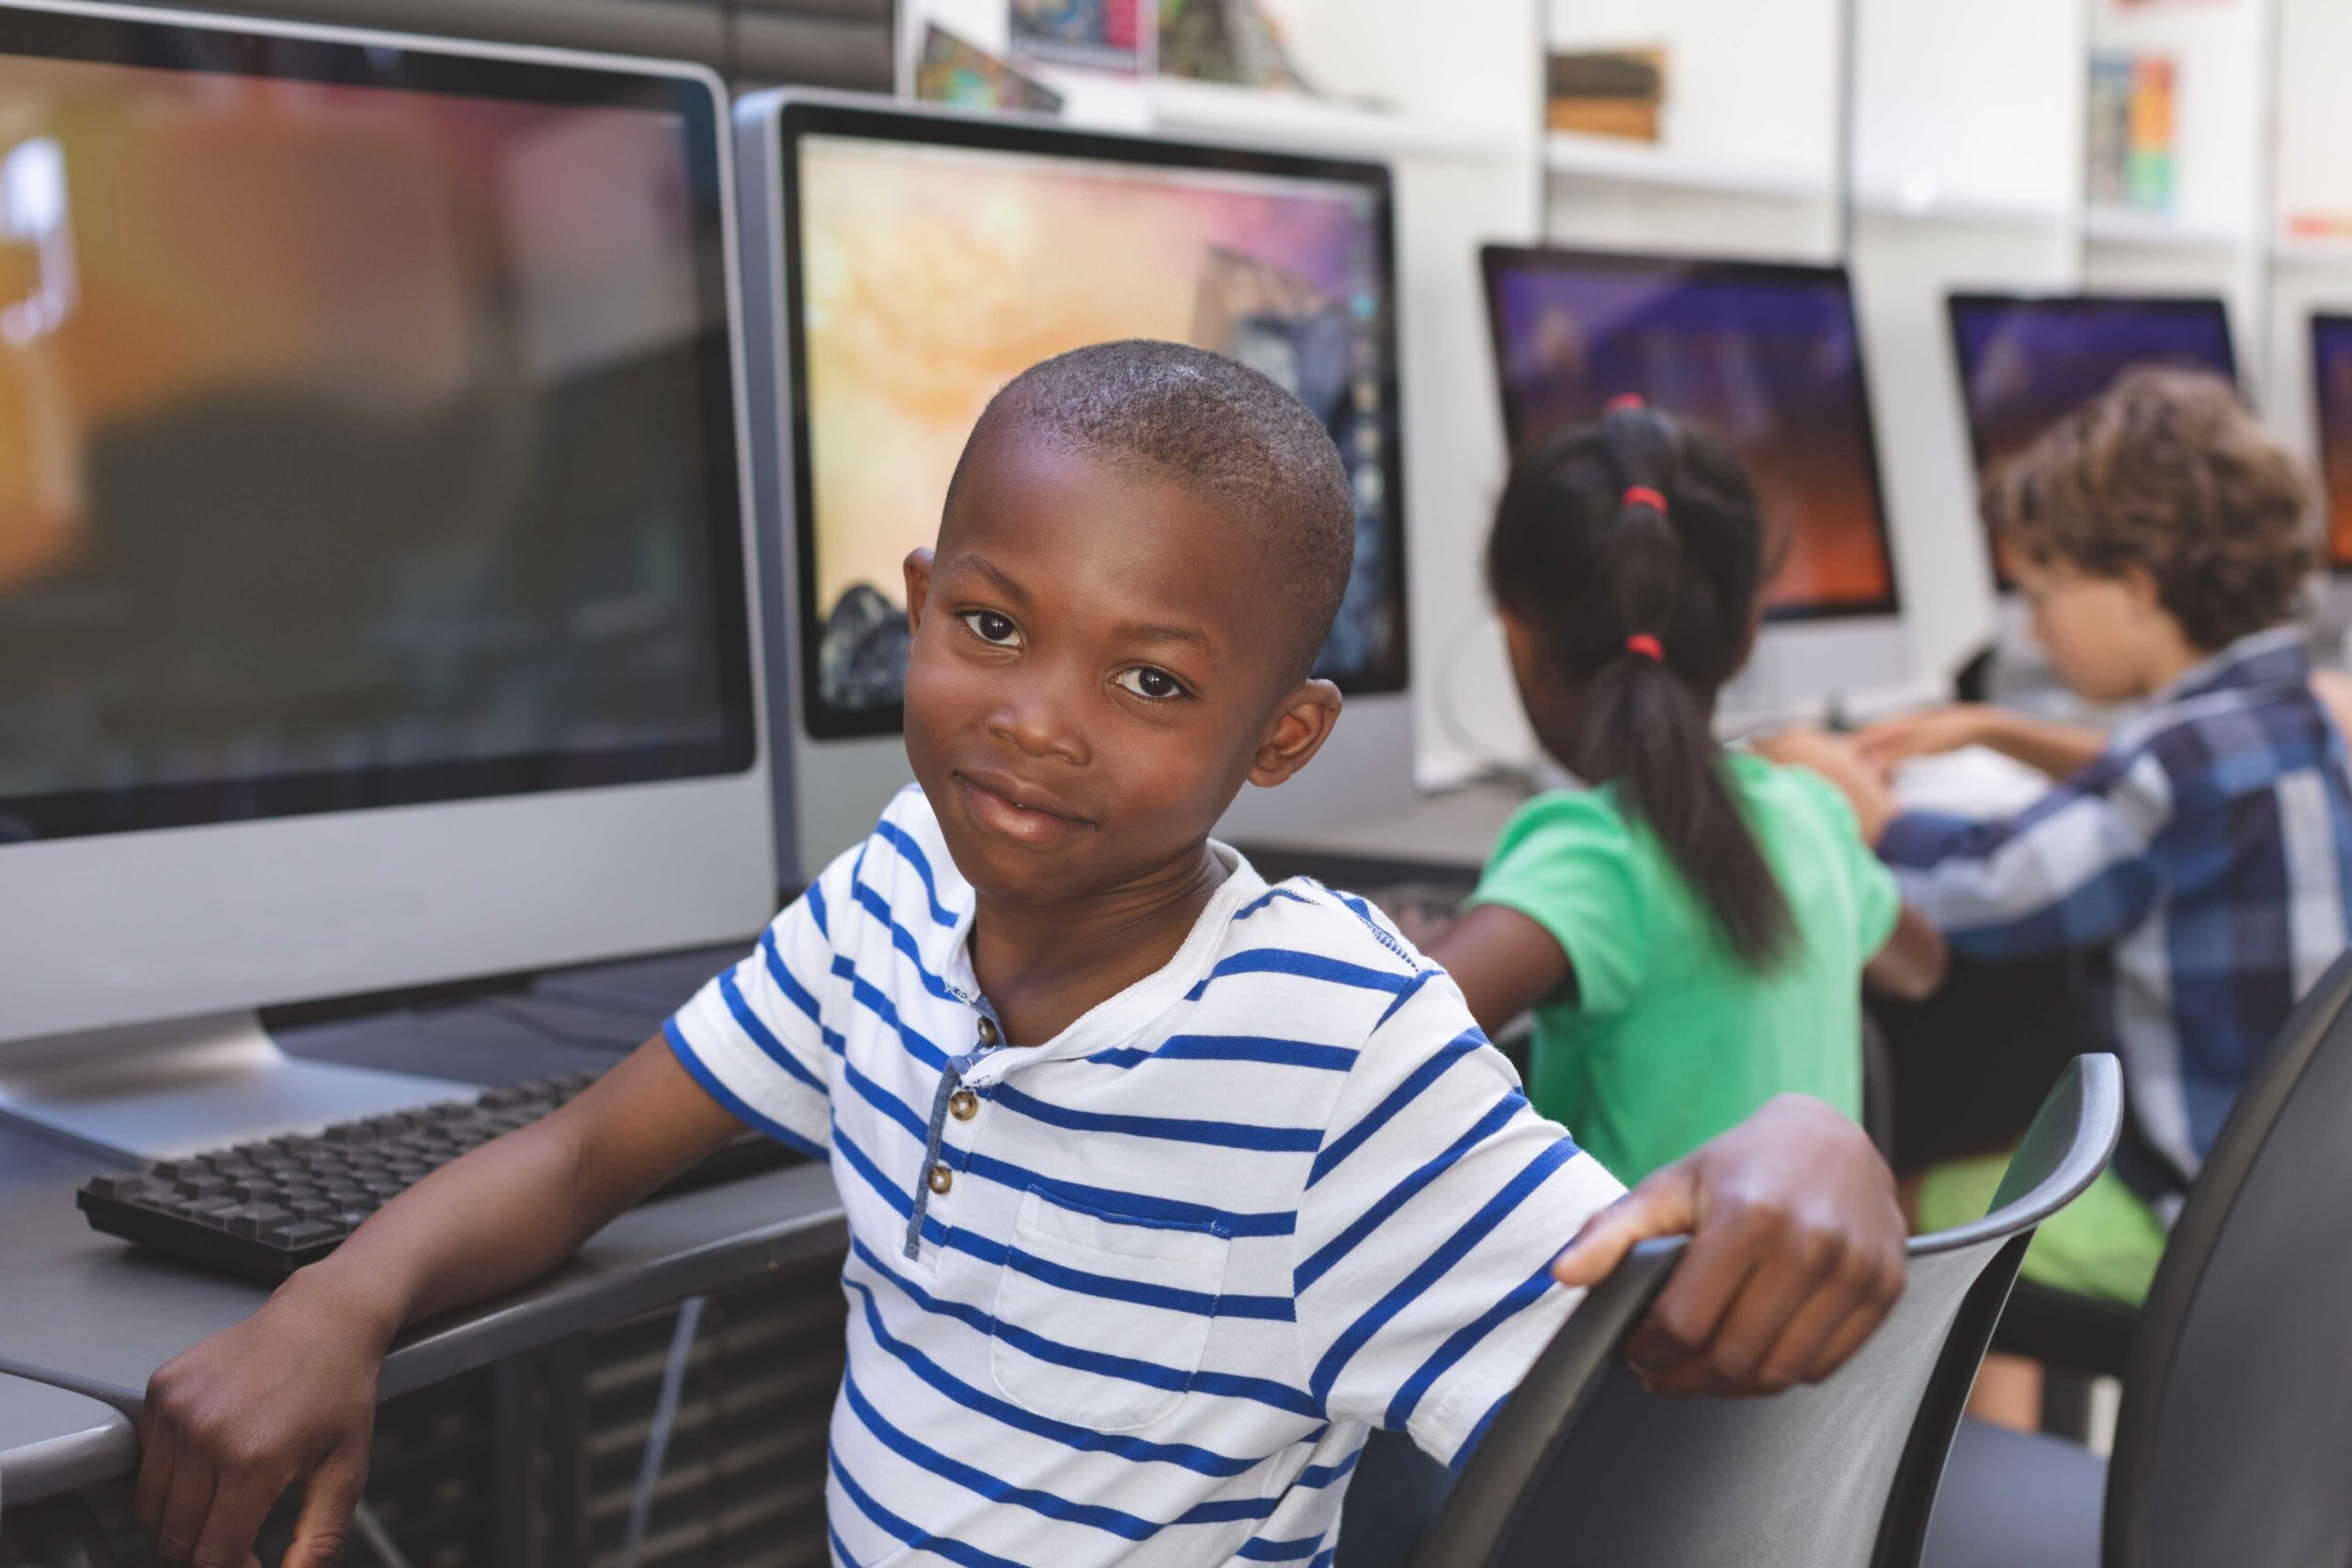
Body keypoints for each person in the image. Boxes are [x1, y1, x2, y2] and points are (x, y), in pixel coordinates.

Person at [131, 344, 1907, 1568]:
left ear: (1278, 740)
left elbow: (1683, 1359)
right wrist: (337, 1299)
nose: (1037, 724)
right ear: (919, 604)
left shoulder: (1337, 1043)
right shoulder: (897, 888)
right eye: (992, 626)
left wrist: (1815, 1149)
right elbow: (593, 1147)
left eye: (1151, 680)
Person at [1771, 365, 2352, 1321]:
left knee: (1897, 1209)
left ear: (2133, 584)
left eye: (2042, 594)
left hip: (2196, 1222)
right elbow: (2171, 778)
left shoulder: (2164, 774)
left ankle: (1920, 1468)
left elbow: (1982, 888)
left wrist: (1857, 802)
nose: (2032, 629)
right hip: (2308, 1210)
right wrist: (1992, 729)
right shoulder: (2314, 717)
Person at [1417, 401, 1946, 1186]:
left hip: (1632, 1306)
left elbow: (1385, 1049)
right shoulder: (1807, 809)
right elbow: (1917, 963)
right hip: (1801, 1300)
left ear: (1520, 639)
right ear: (1747, 635)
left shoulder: (1591, 851)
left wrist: (1398, 956)